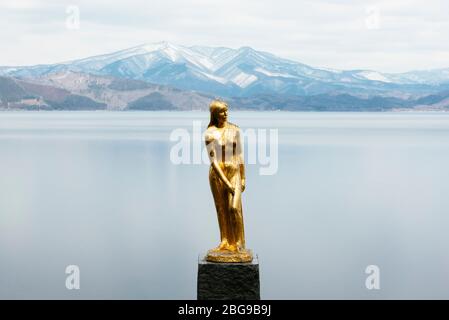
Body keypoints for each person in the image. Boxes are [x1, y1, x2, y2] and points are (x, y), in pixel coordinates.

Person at [204, 100, 252, 262]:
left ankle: (238, 242)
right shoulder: (210, 133)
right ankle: (225, 240)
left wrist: (243, 177)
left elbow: (239, 155)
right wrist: (225, 182)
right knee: (221, 209)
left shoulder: (235, 130)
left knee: (233, 207)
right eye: (222, 111)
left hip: (234, 172)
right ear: (214, 114)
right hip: (218, 175)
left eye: (226, 111)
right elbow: (214, 162)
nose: (225, 114)